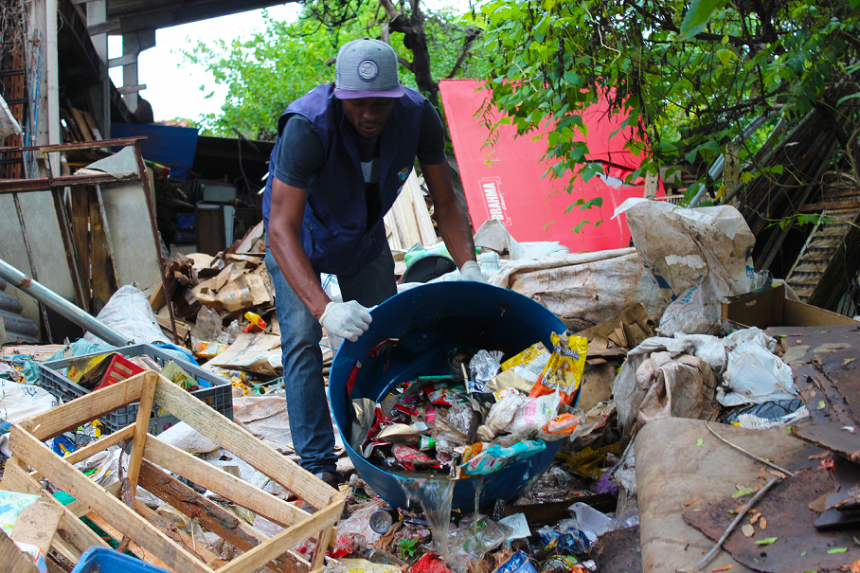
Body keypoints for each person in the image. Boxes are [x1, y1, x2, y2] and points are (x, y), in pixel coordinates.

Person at [263, 38, 485, 487]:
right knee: (303, 340)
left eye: (380, 103)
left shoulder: (418, 117)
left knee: (385, 336)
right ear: (339, 95)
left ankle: (388, 443)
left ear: (396, 97)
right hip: (300, 239)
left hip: (362, 237)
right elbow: (281, 229)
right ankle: (317, 463)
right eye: (357, 103)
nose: (369, 114)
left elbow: (445, 201)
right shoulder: (308, 127)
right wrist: (324, 309)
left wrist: (470, 267)